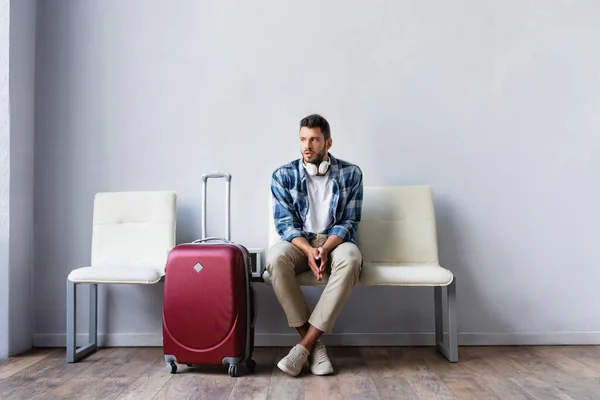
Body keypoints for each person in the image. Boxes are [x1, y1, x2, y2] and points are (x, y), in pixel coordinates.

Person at [267, 113, 363, 376]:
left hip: (334, 241)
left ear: (328, 143)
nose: (306, 146)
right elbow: (285, 224)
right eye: (302, 140)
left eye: (314, 140)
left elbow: (349, 222)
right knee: (275, 259)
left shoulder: (351, 173)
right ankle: (314, 345)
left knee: (353, 258)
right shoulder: (282, 175)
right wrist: (309, 251)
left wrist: (325, 249)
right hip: (300, 243)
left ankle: (303, 347)